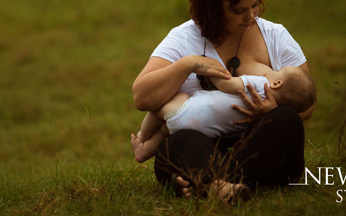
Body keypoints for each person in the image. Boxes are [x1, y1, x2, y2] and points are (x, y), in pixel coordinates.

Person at [131, 0, 316, 202]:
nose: (251, 16)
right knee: (180, 140)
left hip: (257, 146)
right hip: (204, 149)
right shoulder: (184, 38)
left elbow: (306, 102)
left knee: (286, 119)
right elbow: (141, 97)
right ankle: (221, 183)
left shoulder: (276, 35)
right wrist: (188, 65)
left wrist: (268, 111)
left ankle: (204, 182)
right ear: (214, 8)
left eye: (255, 5)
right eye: (239, 10)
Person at [130, 65, 314, 163]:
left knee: (159, 109)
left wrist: (215, 73)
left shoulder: (259, 84)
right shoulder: (261, 116)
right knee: (165, 131)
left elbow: (228, 85)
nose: (272, 71)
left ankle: (142, 138)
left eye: (277, 71)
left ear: (277, 83)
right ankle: (145, 152)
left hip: (186, 110)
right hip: (201, 132)